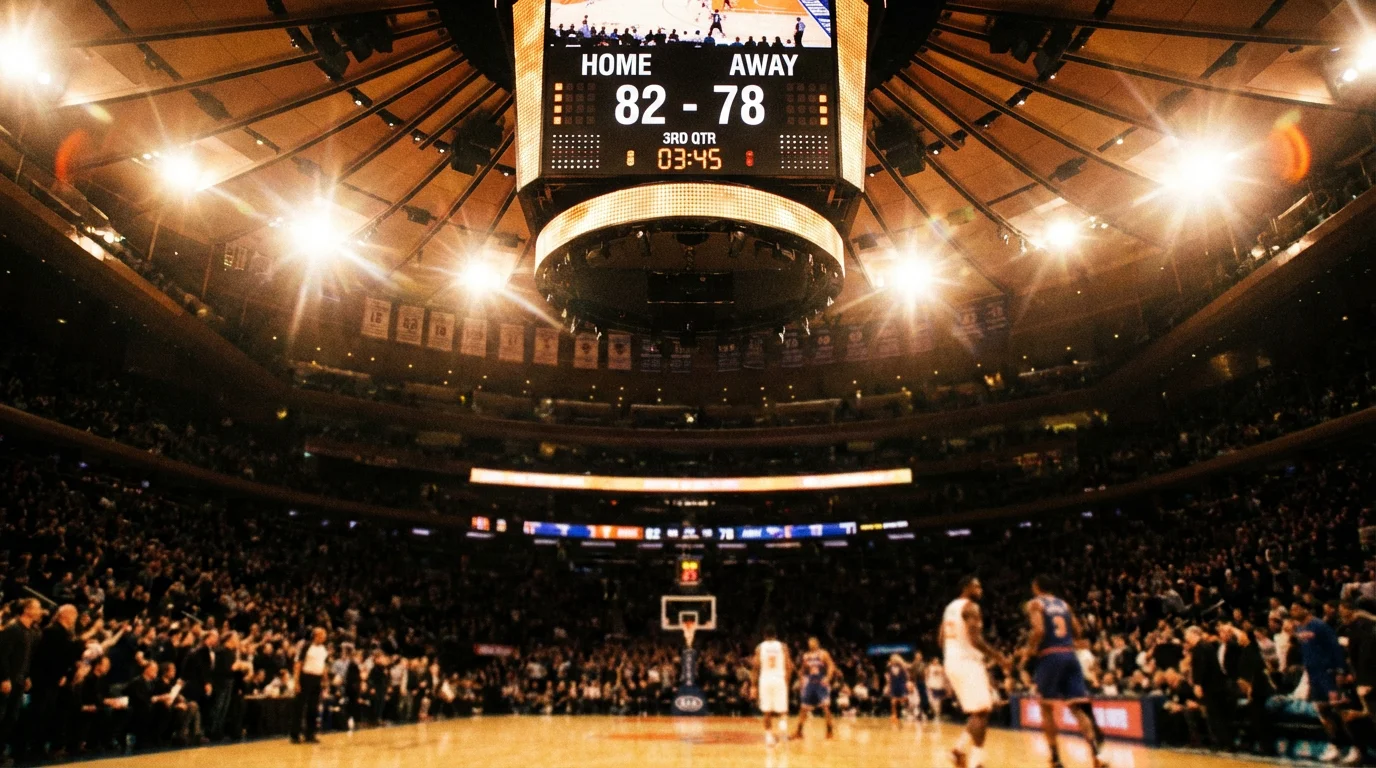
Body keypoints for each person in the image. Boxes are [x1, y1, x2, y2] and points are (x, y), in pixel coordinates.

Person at [1022, 575, 1106, 768]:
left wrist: (1029, 650)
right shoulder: (1064, 604)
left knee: (1046, 708)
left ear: (1036, 587)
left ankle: (1056, 758)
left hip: (1051, 655)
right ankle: (1097, 754)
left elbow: (1039, 631)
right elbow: (1077, 629)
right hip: (1070, 655)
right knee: (1077, 708)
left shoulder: (1035, 603)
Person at [941, 576, 1007, 768]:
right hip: (967, 663)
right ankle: (976, 761)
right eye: (976, 586)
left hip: (952, 661)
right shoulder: (971, 607)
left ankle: (959, 751)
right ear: (966, 587)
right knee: (981, 711)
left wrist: (952, 652)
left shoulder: (949, 608)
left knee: (981, 711)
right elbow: (975, 639)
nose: (980, 589)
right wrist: (999, 657)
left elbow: (940, 638)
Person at [1292, 600, 1349, 762]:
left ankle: (1355, 746)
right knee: (1322, 711)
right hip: (1313, 674)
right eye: (1292, 609)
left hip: (1328, 673)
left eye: (1297, 608)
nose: (1294, 611)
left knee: (1338, 710)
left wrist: (1340, 670)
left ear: (1306, 609)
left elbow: (1335, 647)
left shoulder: (1320, 626)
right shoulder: (1299, 628)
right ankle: (1335, 746)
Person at [0, 599, 42, 764]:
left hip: (19, 679)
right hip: (8, 680)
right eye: (37, 608)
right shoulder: (13, 629)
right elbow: (2, 655)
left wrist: (27, 676)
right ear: (26, 610)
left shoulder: (29, 631)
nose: (40, 611)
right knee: (2, 716)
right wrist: (4, 678)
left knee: (11, 717)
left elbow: (26, 657)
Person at [752, 626, 790, 747]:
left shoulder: (760, 647)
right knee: (782, 711)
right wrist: (787, 681)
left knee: (767, 711)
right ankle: (782, 733)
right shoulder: (782, 646)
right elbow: (788, 665)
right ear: (776, 635)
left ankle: (769, 738)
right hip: (779, 679)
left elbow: (755, 667)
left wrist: (753, 686)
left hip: (765, 680)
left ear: (764, 636)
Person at [290, 627, 329, 744]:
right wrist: (296, 682)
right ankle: (295, 734)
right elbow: (298, 664)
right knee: (300, 706)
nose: (324, 638)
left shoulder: (323, 649)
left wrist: (325, 680)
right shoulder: (306, 646)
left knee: (313, 707)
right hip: (305, 677)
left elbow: (323, 665)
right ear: (316, 636)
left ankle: (310, 734)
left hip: (317, 679)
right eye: (322, 635)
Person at [792, 637, 836, 739]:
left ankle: (829, 731)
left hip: (821, 683)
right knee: (803, 708)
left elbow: (831, 666)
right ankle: (799, 731)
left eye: (813, 642)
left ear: (817, 643)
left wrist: (828, 678)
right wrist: (801, 678)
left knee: (825, 707)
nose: (811, 644)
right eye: (809, 642)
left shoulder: (823, 654)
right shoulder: (806, 656)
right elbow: (803, 669)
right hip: (810, 683)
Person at [884, 654, 909, 723]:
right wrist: (888, 685)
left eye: (893, 659)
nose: (892, 661)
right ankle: (893, 715)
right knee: (893, 701)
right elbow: (888, 677)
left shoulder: (902, 667)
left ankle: (906, 713)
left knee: (903, 699)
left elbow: (906, 677)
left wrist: (906, 684)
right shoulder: (889, 667)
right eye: (891, 659)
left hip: (901, 685)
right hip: (893, 685)